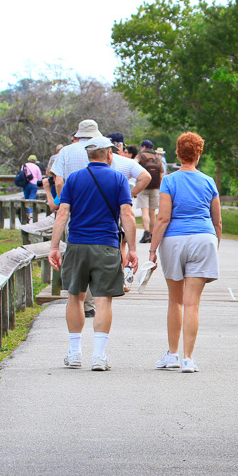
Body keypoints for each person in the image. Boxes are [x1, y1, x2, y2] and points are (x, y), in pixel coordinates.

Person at [49, 136, 139, 371]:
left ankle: (75, 352)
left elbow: (62, 214)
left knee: (75, 297)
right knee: (103, 301)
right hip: (107, 245)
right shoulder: (119, 179)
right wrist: (132, 249)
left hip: (77, 244)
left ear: (89, 155)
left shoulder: (74, 179)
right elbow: (127, 215)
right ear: (109, 154)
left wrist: (54, 247)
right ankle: (99, 356)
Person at [148, 132, 222, 373]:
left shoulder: (169, 181)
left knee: (175, 301)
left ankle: (172, 355)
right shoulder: (209, 182)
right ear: (198, 154)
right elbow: (217, 221)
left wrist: (152, 249)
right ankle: (189, 359)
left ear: (178, 154)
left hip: (175, 241)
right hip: (203, 238)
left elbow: (163, 218)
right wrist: (215, 246)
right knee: (193, 305)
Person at [134, 144, 164, 244]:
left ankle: (146, 232)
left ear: (144, 147)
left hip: (143, 186)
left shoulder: (140, 156)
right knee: (152, 212)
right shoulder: (157, 158)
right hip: (155, 188)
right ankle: (152, 234)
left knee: (145, 211)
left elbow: (134, 165)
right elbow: (161, 173)